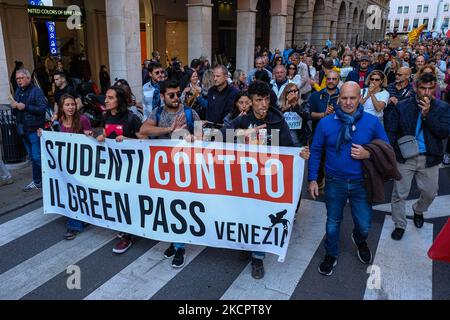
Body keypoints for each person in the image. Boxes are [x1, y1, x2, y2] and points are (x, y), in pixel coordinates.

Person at [225, 80, 310, 279]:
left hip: (267, 180)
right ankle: (246, 245)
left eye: (266, 99)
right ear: (251, 101)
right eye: (259, 100)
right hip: (244, 178)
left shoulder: (277, 121)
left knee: (262, 217)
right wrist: (241, 134)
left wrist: (301, 154)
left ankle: (258, 257)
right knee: (245, 215)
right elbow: (221, 137)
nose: (263, 104)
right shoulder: (243, 120)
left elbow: (289, 148)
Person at [308, 81, 389, 276]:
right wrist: (312, 179)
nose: (348, 102)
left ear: (359, 98)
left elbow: (386, 147)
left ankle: (359, 239)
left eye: (352, 98)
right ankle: (331, 254)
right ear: (338, 98)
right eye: (344, 98)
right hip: (334, 181)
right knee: (333, 222)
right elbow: (316, 151)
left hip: (362, 182)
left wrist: (368, 153)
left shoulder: (371, 122)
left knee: (364, 224)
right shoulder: (326, 123)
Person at [138, 80, 200, 268]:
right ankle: (174, 242)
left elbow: (201, 136)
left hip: (184, 169)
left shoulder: (190, 113)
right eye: (171, 95)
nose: (176, 98)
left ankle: (179, 246)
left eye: (178, 94)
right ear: (163, 96)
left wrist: (192, 137)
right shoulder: (157, 112)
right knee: (167, 207)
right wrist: (168, 129)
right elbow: (143, 130)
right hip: (163, 171)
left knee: (179, 208)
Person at [387, 73, 450, 241]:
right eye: (423, 88)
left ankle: (419, 210)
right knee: (399, 194)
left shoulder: (442, 107)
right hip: (405, 157)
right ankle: (400, 224)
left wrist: (427, 115)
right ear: (416, 87)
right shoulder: (402, 106)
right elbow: (392, 131)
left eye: (430, 88)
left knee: (430, 193)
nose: (426, 92)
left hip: (429, 158)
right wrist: (394, 153)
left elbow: (444, 133)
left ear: (435, 88)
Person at [97, 86, 145, 253]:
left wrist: (127, 139)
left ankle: (128, 235)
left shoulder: (131, 119)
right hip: (113, 166)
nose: (106, 100)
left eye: (110, 98)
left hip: (131, 167)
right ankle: (125, 226)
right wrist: (101, 137)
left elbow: (145, 140)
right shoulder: (105, 116)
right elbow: (105, 134)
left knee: (129, 199)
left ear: (119, 100)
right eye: (106, 97)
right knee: (117, 198)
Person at [41, 94, 93, 239]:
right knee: (71, 193)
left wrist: (90, 135)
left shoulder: (83, 120)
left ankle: (75, 225)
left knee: (77, 192)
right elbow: (54, 138)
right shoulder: (58, 120)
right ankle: (78, 221)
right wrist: (43, 134)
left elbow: (91, 141)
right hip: (65, 165)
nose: (71, 107)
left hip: (81, 164)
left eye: (72, 104)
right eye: (67, 105)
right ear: (62, 107)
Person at [11, 69, 48, 192]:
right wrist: (14, 107)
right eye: (17, 79)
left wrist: (25, 107)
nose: (19, 81)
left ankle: (50, 179)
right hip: (23, 129)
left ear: (28, 78)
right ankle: (37, 181)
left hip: (34, 129)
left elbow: (42, 109)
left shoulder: (36, 91)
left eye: (21, 78)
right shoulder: (18, 91)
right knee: (32, 158)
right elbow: (15, 112)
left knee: (37, 157)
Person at [279, 83, 312, 147]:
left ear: (298, 92)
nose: (293, 93)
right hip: (284, 143)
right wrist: (284, 110)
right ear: (285, 94)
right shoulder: (280, 106)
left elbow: (307, 116)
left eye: (295, 91)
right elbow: (275, 122)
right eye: (290, 91)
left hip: (300, 141)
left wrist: (295, 105)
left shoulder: (304, 104)